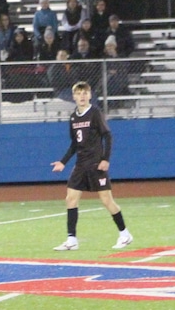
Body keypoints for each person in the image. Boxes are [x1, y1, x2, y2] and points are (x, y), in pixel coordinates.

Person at [50, 81, 133, 251]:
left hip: (96, 164)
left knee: (106, 200)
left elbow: (107, 136)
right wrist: (63, 162)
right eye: (79, 94)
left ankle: (125, 234)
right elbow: (75, 143)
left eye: (85, 93)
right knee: (70, 199)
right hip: (80, 164)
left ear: (90, 95)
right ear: (73, 97)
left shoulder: (95, 113)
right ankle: (71, 239)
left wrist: (105, 159)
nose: (82, 96)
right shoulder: (73, 117)